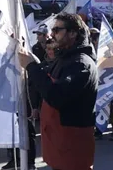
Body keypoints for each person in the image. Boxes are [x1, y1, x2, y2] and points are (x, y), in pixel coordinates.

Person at [19, 13, 97, 170]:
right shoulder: (65, 59)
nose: (51, 34)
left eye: (56, 30)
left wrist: (31, 66)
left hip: (72, 149)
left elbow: (56, 95)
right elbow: (45, 77)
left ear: (73, 33)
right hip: (59, 147)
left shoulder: (81, 63)